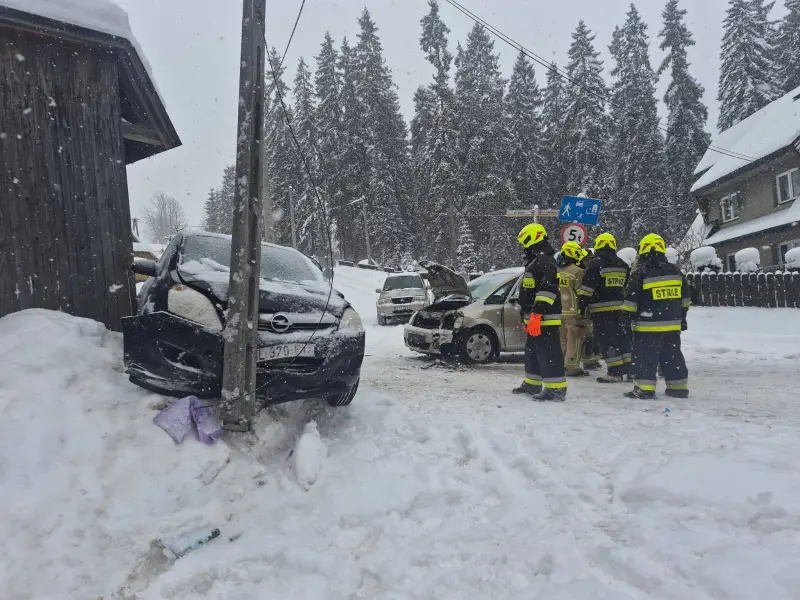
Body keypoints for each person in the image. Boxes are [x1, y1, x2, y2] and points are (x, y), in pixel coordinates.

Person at [623, 233, 691, 399]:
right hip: (673, 325)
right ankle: (678, 387)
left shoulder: (641, 272)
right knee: (672, 356)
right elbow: (686, 298)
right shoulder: (676, 271)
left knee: (646, 357)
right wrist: (682, 317)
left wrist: (625, 320)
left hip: (648, 326)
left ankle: (644, 389)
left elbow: (631, 300)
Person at [512, 223, 567, 401]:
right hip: (535, 317)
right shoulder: (535, 261)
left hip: (545, 317)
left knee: (548, 352)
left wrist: (537, 313)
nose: (523, 246)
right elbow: (529, 292)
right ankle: (533, 383)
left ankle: (556, 389)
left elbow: (548, 289)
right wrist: (526, 316)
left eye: (524, 242)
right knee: (533, 351)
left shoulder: (545, 261)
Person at [577, 232, 632, 383]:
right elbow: (626, 286)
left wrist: (581, 306)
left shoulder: (596, 264)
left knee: (607, 340)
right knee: (623, 339)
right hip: (620, 310)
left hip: (601, 311)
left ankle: (615, 372)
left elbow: (587, 289)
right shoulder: (623, 265)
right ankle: (630, 369)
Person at [558, 241, 590, 377]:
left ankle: (560, 364)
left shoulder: (557, 271)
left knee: (562, 340)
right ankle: (572, 367)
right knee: (575, 340)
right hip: (573, 312)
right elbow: (581, 293)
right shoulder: (578, 272)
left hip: (559, 312)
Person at [578, 249, 602, 371]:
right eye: (587, 259)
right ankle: (588, 361)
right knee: (588, 335)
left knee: (592, 335)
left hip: (588, 308)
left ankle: (593, 359)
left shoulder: (588, 271)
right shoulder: (581, 272)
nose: (589, 261)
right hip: (583, 309)